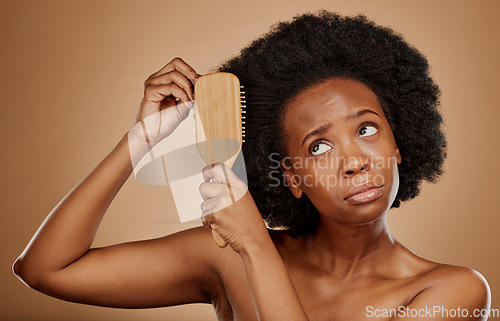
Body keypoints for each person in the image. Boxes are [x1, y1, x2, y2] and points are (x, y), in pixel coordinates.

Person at [13, 11, 490, 320]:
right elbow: (47, 269)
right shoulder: (226, 256)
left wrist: (256, 248)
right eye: (319, 148)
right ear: (290, 177)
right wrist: (141, 141)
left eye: (366, 130)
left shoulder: (450, 293)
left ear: (400, 143)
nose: (354, 162)